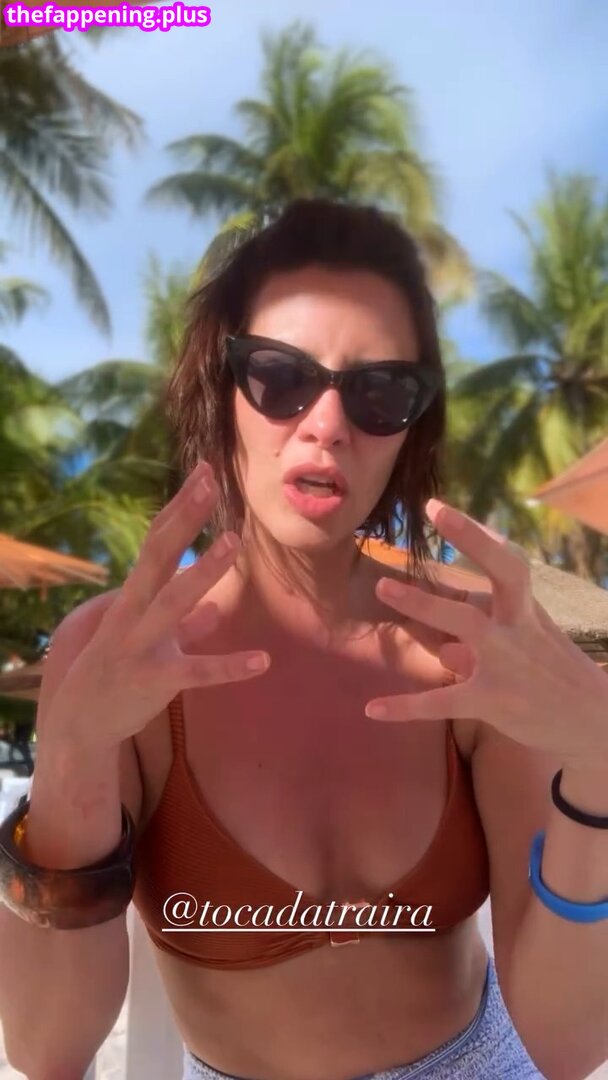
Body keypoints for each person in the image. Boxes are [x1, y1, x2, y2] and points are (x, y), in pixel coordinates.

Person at [0, 199, 552, 1080]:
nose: (326, 424)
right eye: (280, 376)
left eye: (380, 391)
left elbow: (570, 1037)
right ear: (219, 390)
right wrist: (68, 757)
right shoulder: (117, 653)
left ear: (412, 427)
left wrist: (597, 771)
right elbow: (47, 1048)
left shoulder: (468, 644)